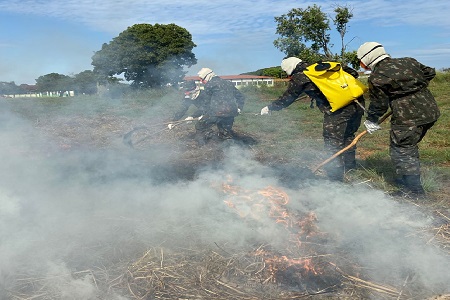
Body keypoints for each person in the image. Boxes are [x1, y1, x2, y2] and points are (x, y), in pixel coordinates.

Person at [260, 57, 365, 181]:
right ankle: (350, 168)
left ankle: (335, 178)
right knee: (348, 136)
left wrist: (270, 107)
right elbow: (354, 73)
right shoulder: (323, 66)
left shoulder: (300, 76)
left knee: (332, 142)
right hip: (358, 104)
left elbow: (288, 97)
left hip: (338, 110)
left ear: (289, 69)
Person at [357, 42, 440, 195]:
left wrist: (371, 120)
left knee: (402, 149)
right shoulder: (409, 61)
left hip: (408, 117)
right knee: (409, 145)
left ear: (368, 58)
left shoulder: (377, 77)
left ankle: (414, 191)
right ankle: (407, 179)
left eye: (361, 60)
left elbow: (379, 104)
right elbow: (430, 72)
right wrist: (415, 87)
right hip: (430, 111)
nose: (361, 65)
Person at [194, 67, 245, 145]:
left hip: (217, 113)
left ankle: (203, 146)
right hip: (231, 113)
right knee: (225, 132)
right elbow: (240, 96)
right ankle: (230, 150)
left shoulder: (209, 85)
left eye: (202, 79)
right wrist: (239, 108)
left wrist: (197, 115)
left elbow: (206, 103)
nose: (201, 81)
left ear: (208, 76)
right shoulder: (228, 83)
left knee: (200, 126)